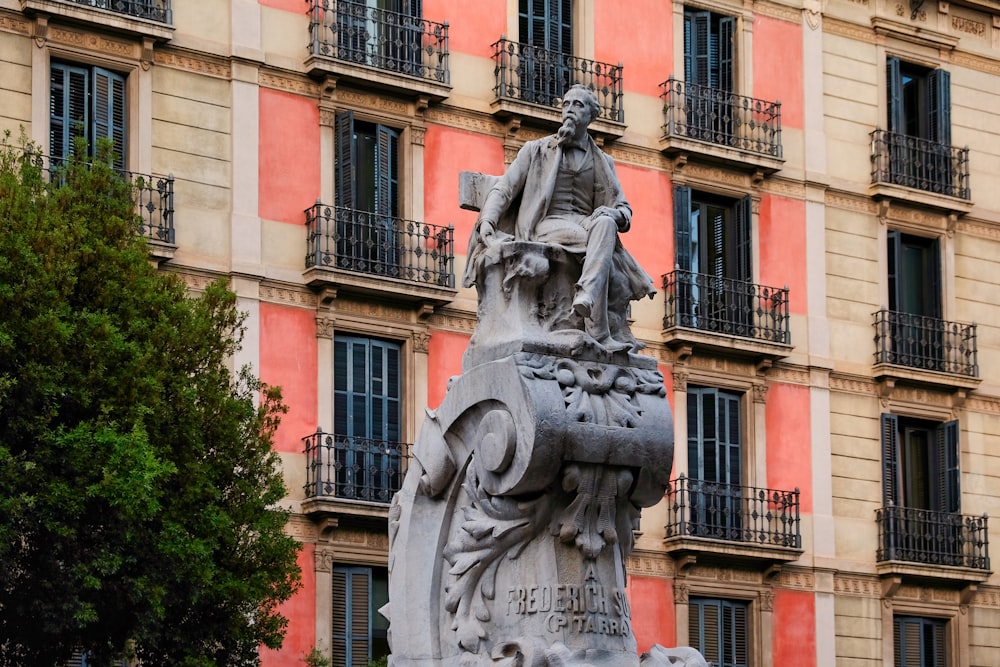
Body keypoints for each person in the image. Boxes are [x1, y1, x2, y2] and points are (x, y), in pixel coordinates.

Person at [463, 84, 655, 351]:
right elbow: (505, 188)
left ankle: (587, 296)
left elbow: (624, 210)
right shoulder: (537, 150)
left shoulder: (603, 162)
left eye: (578, 105)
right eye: (566, 104)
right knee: (601, 235)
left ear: (591, 116)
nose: (570, 110)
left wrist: (612, 212)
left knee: (606, 222)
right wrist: (488, 221)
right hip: (546, 225)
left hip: (586, 225)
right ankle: (598, 330)